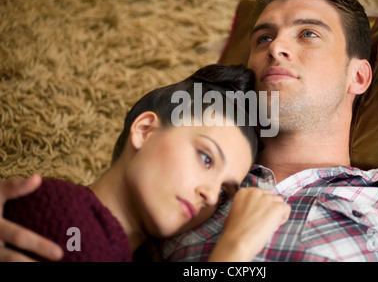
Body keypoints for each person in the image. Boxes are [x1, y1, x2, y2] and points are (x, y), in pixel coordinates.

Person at [1, 0, 378, 262]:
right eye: (262, 38)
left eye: (308, 33)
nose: (276, 47)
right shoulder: (180, 186)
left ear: (360, 76)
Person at [0, 64, 290, 262]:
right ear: (145, 130)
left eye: (224, 192)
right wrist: (234, 249)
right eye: (205, 158)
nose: (211, 195)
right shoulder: (63, 216)